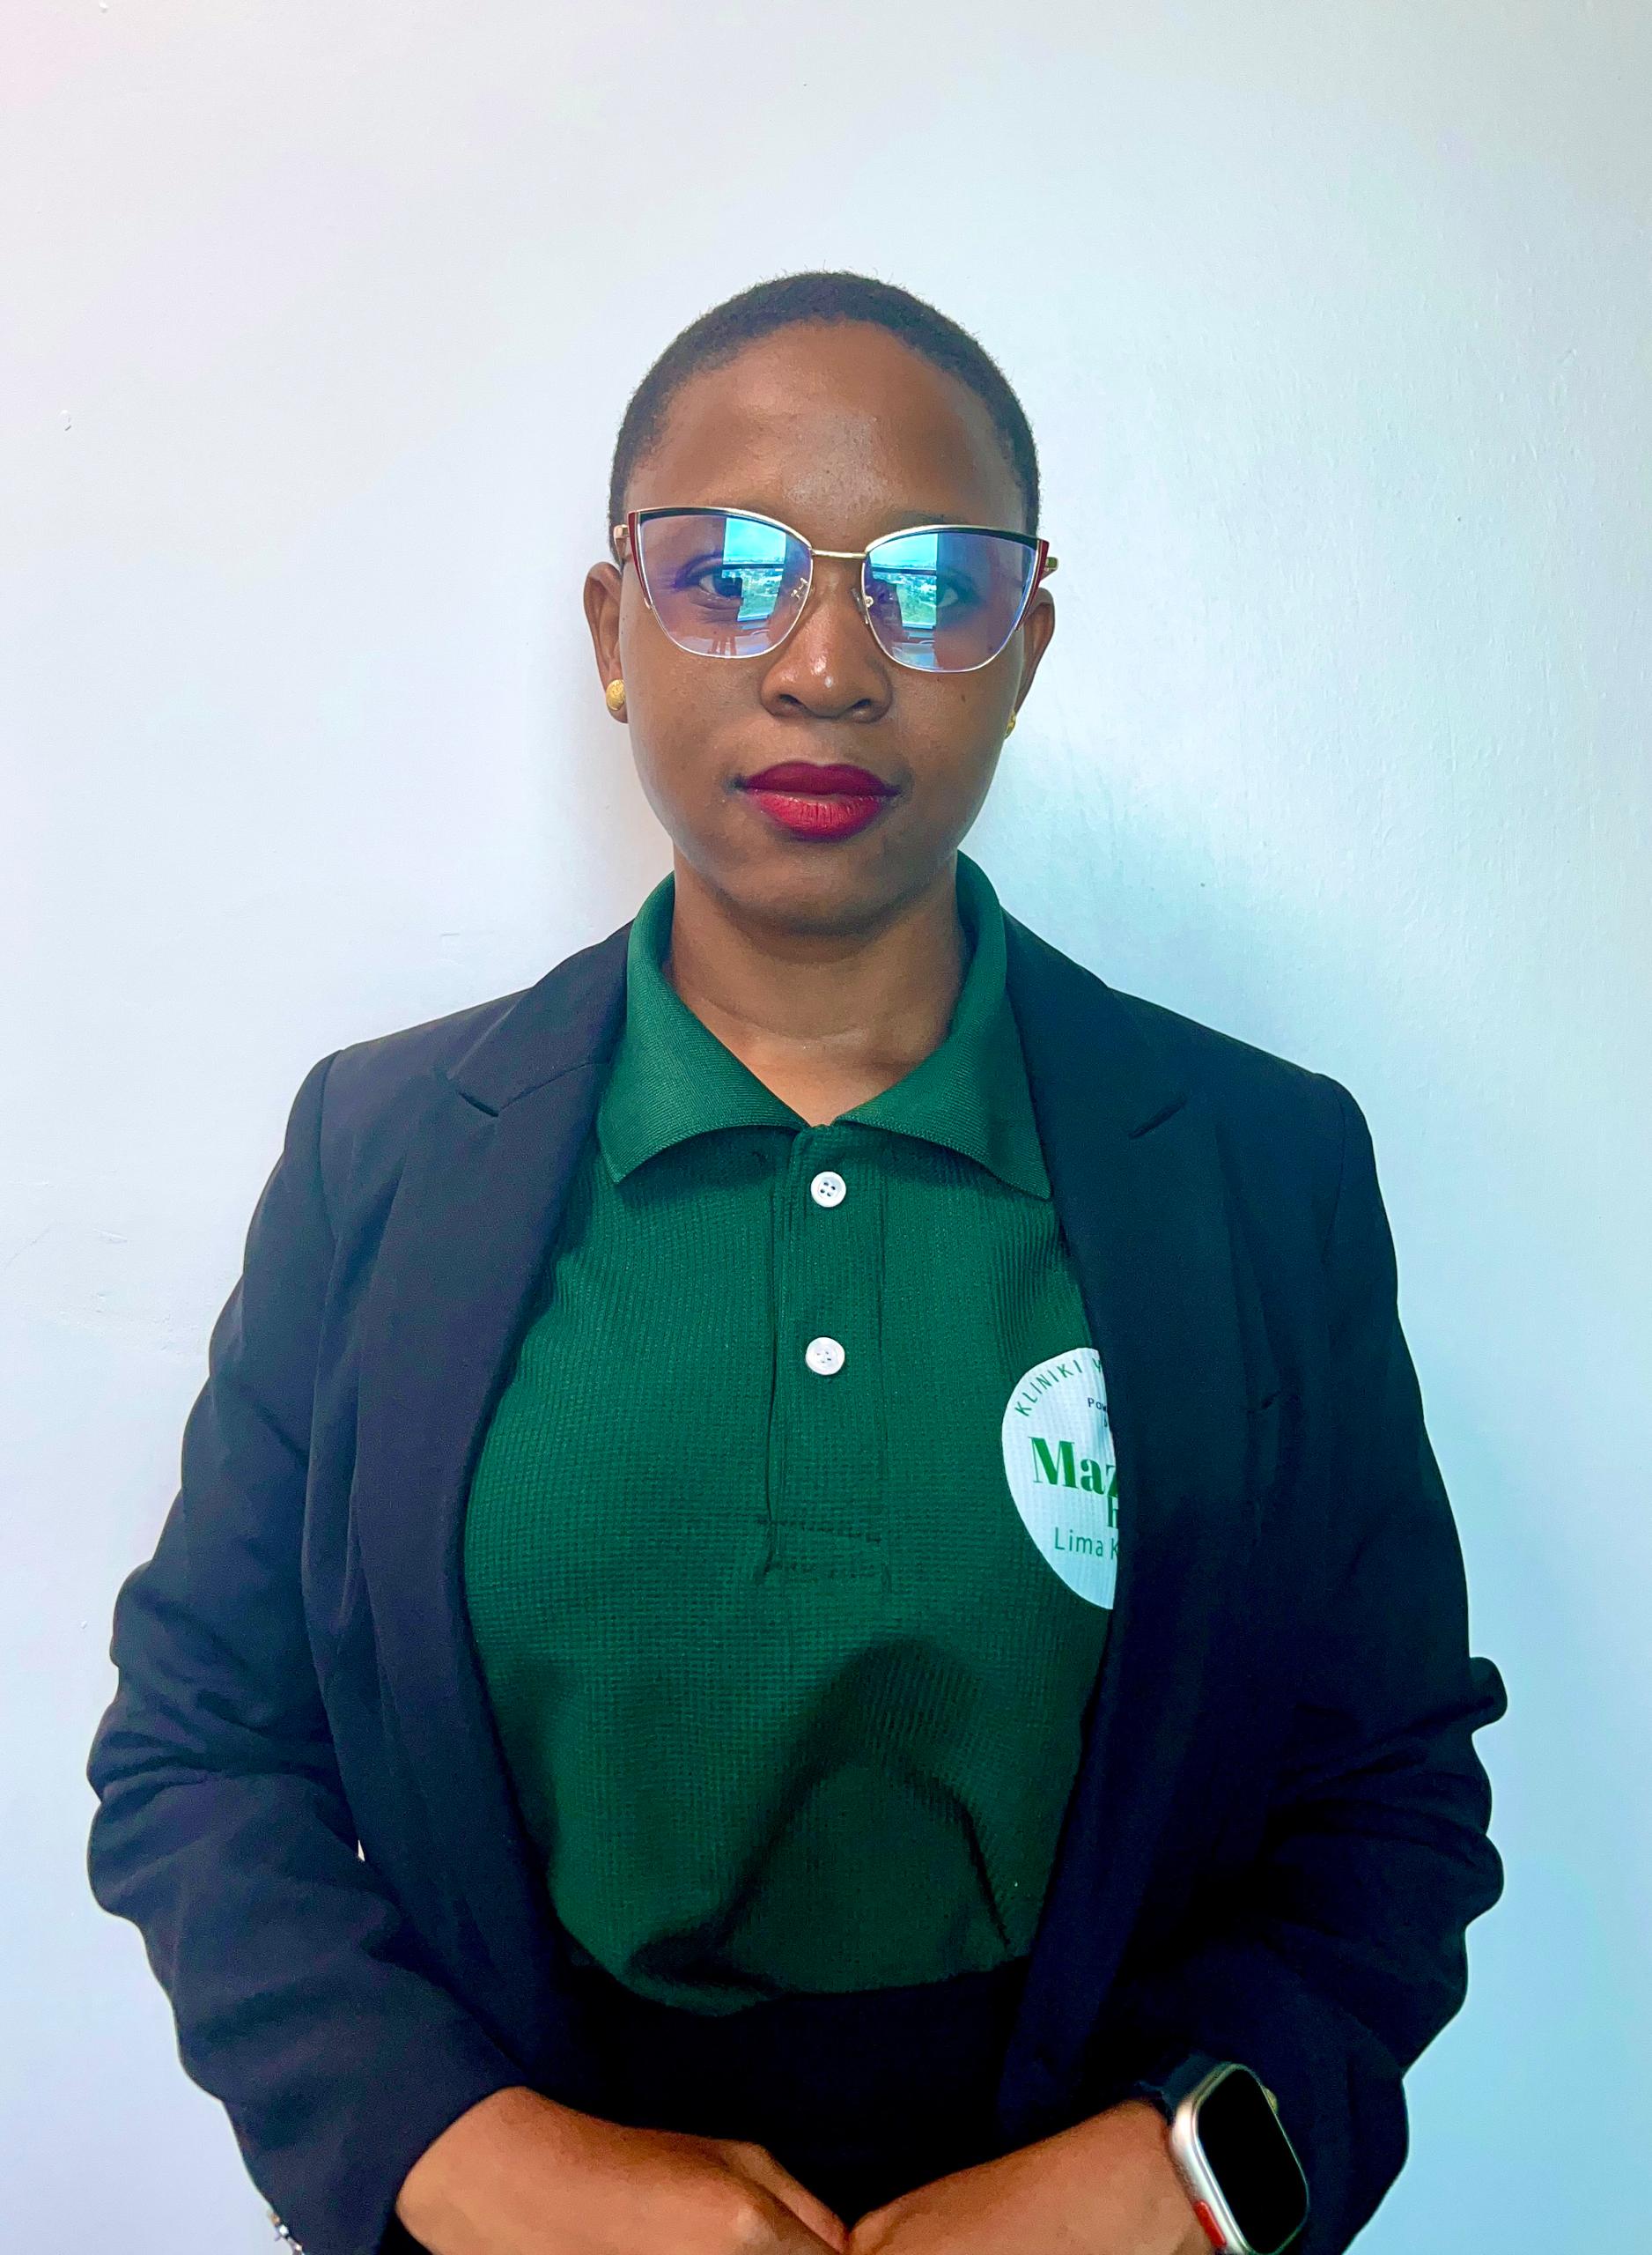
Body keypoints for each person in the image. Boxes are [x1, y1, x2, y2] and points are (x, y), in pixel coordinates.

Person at [85, 270, 1506, 2255]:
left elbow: (1387, 1794)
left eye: (932, 586)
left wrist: (1178, 2179)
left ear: (1024, 647)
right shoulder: (383, 1156)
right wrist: (476, 2162)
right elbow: (198, 1749)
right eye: (725, 575)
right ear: (612, 633)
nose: (827, 663)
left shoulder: (1259, 1171)